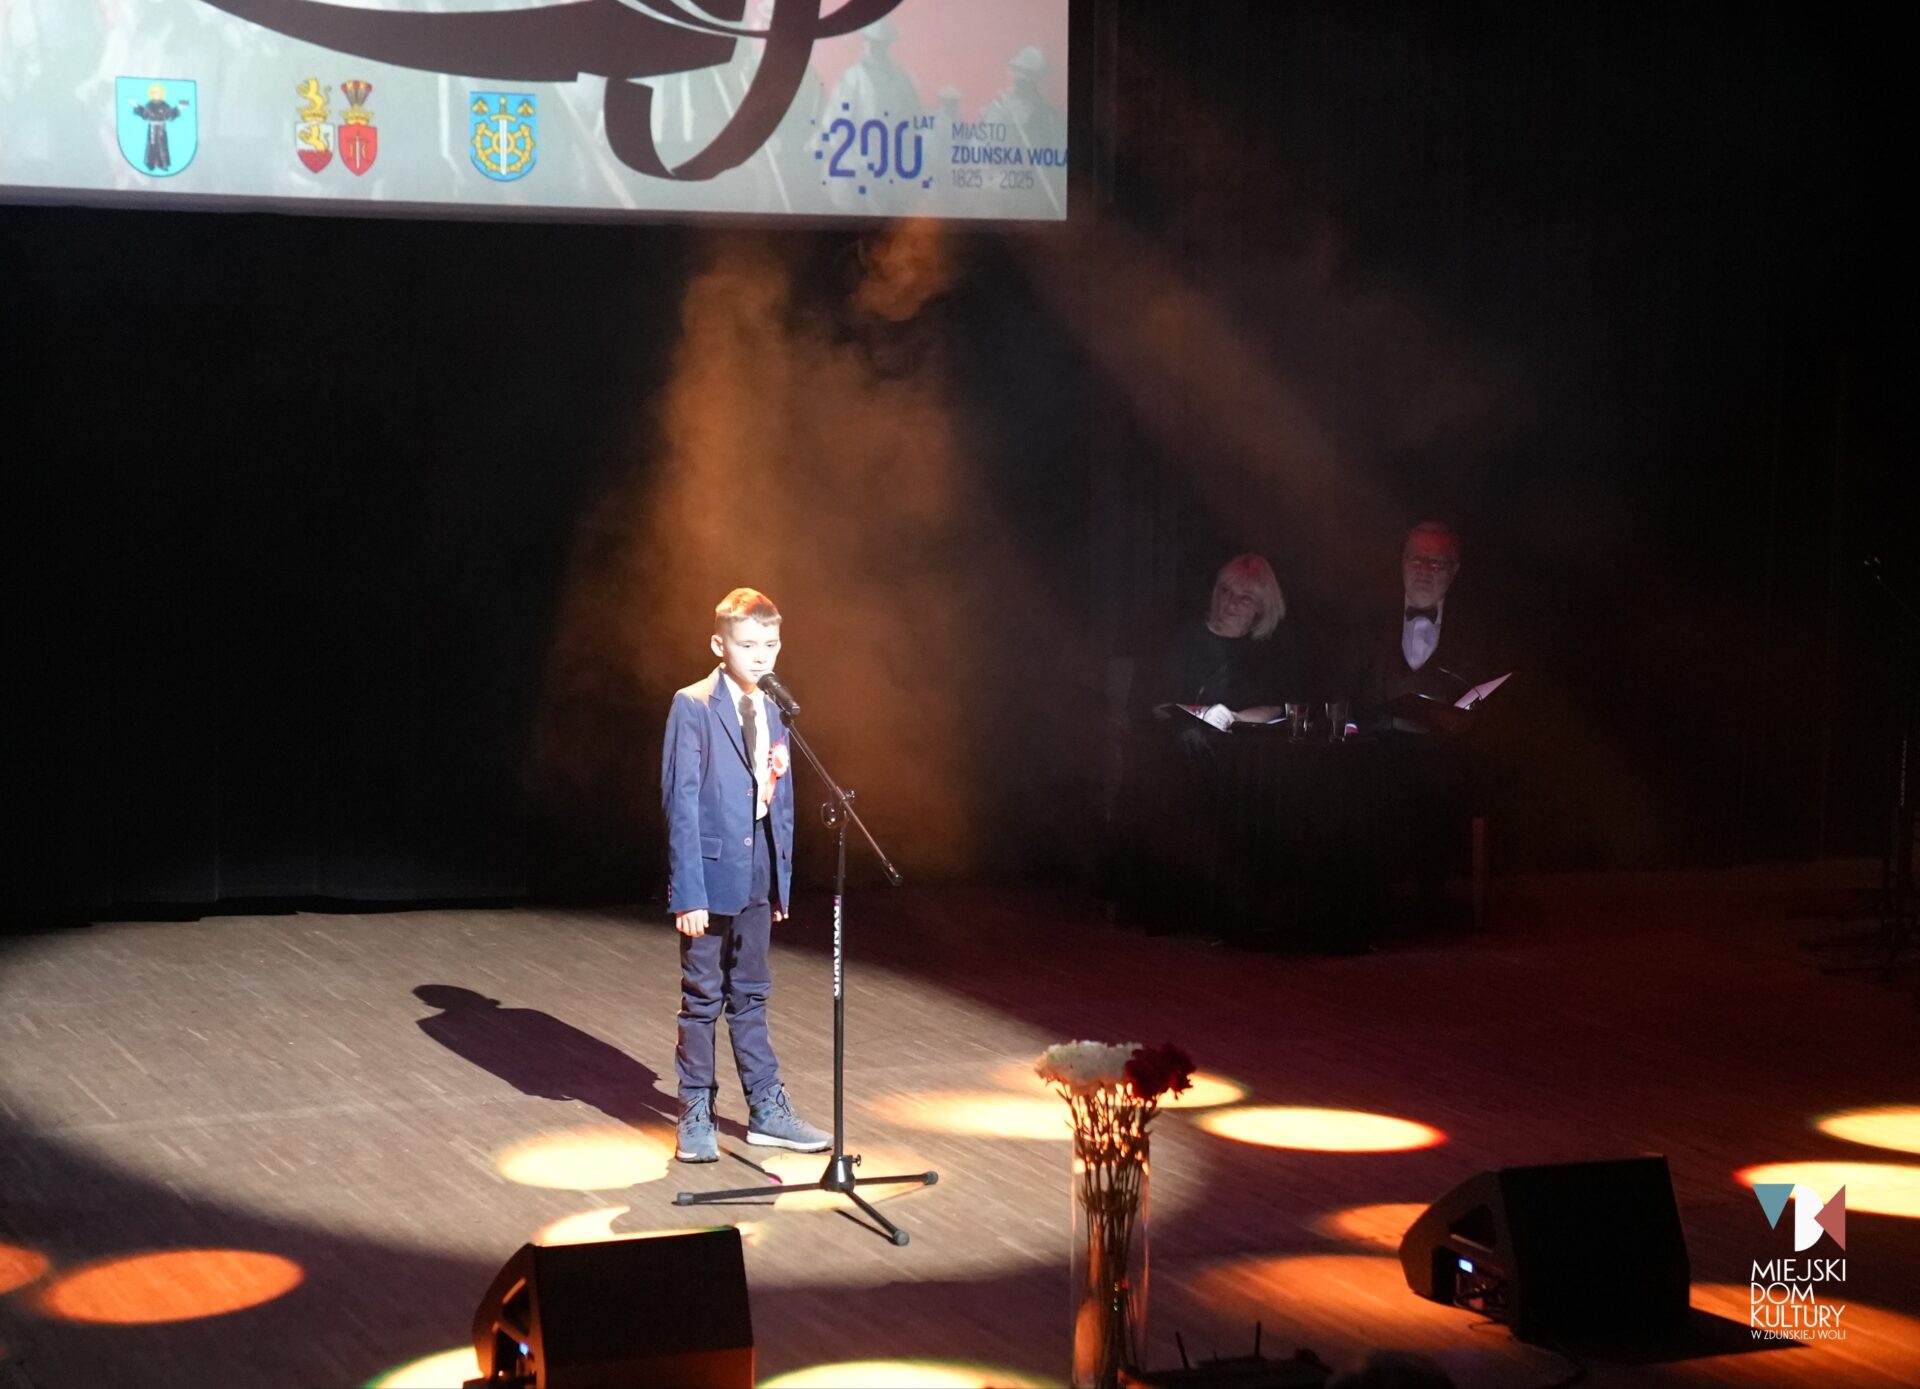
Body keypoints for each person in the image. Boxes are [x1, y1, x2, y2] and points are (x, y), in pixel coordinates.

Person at [661, 588, 830, 1164]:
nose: (761, 656)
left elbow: (782, 798)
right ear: (719, 644)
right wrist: (688, 892)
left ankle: (766, 1108)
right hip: (710, 872)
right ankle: (695, 1108)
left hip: (758, 867)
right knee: (703, 995)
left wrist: (780, 879)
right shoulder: (693, 705)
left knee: (752, 992)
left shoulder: (776, 706)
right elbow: (681, 803)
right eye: (748, 644)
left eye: (771, 644)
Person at [1345, 521, 1495, 730]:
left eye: (1435, 562)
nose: (1424, 569)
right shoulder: (1365, 621)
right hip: (1370, 746)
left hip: (1442, 749)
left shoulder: (1475, 633)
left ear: (1454, 570)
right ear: (1403, 562)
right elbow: (1340, 691)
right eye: (1416, 559)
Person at [1155, 553, 1304, 728]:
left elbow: (1277, 707)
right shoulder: (1187, 640)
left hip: (1247, 740)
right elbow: (1160, 706)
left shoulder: (1269, 649)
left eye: (1245, 598)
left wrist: (1233, 719)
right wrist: (1205, 714)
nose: (1231, 603)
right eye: (1226, 591)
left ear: (1261, 607)